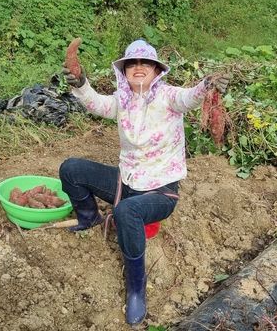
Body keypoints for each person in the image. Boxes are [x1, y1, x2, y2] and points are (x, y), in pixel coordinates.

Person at [59, 39, 229, 325]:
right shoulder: (122, 100)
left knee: (126, 211)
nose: (138, 68)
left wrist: (207, 84)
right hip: (127, 182)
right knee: (71, 169)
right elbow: (96, 104)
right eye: (132, 64)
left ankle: (136, 289)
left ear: (156, 70)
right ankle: (89, 218)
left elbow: (189, 97)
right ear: (124, 71)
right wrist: (82, 83)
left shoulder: (169, 97)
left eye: (145, 63)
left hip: (160, 192)